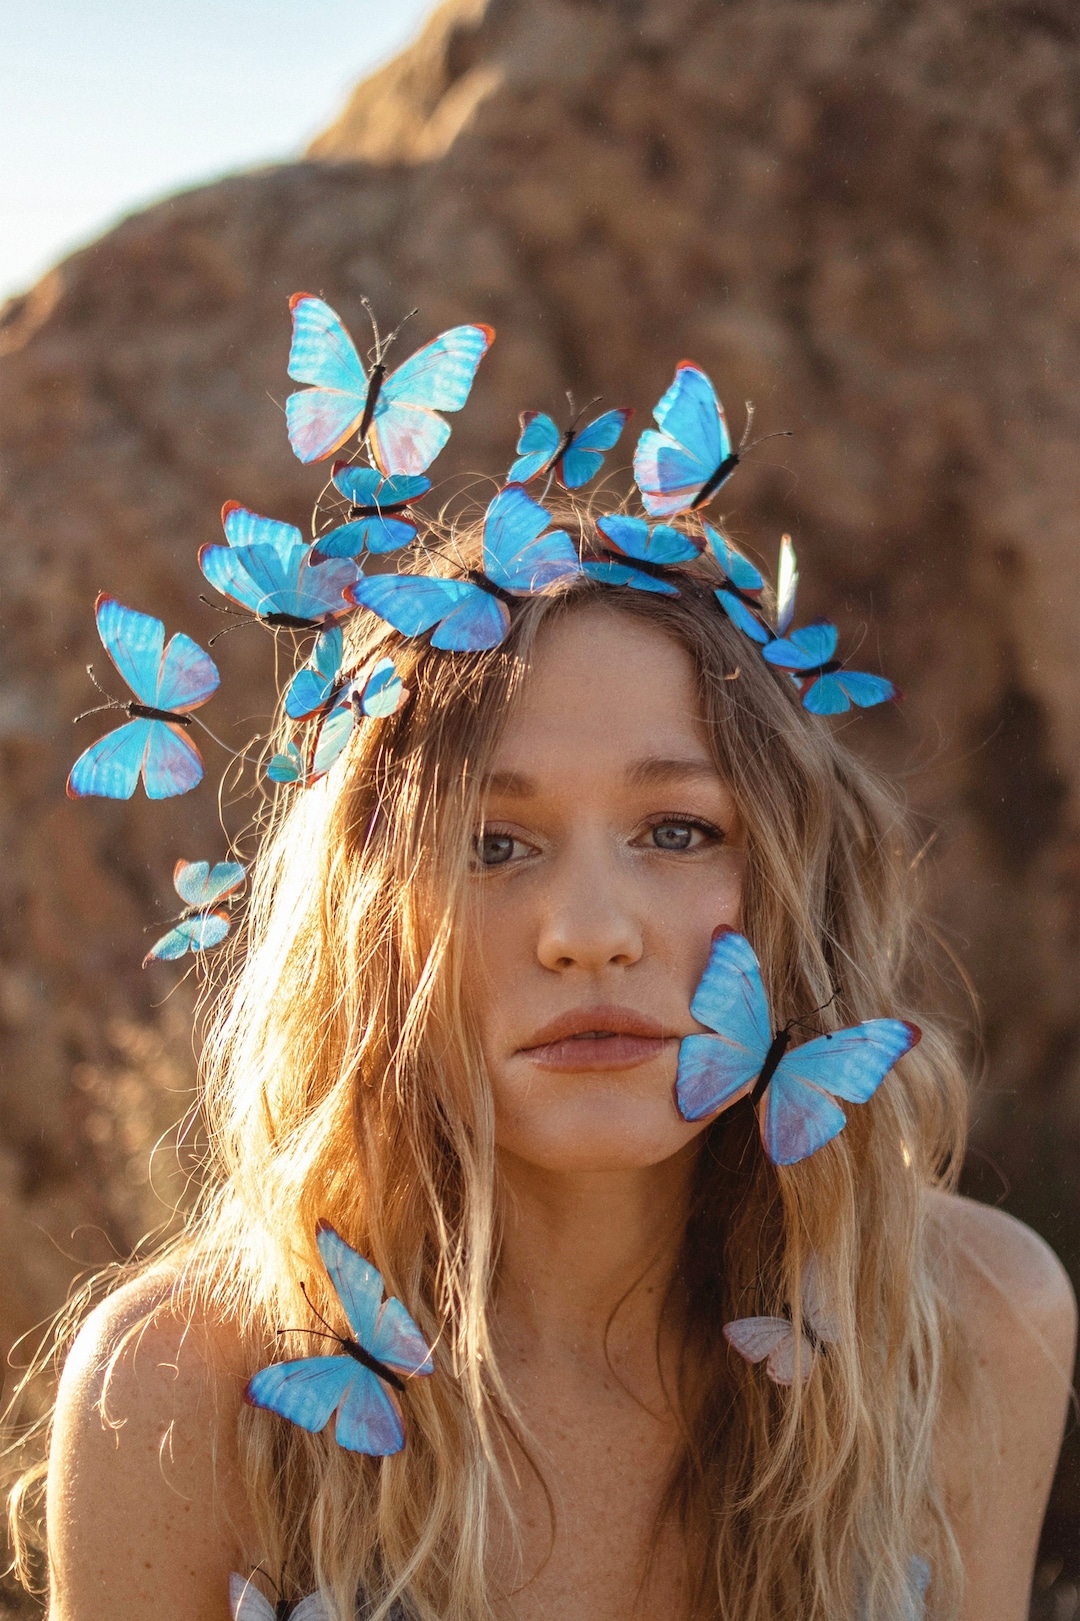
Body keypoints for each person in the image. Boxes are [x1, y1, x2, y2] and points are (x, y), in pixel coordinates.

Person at [15, 498, 1076, 1621]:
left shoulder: (971, 1325)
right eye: (492, 843)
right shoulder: (179, 1394)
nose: (587, 930)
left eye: (677, 830)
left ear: (792, 885)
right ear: (375, 924)